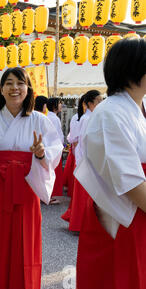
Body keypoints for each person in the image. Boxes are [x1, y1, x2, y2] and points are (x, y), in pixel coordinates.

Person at [0, 67, 62, 289]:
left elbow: (53, 151)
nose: (14, 88)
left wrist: (41, 153)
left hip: (25, 187)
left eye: (20, 83)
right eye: (9, 83)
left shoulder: (40, 121)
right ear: (1, 88)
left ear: (28, 88)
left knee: (25, 248)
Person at [74, 38, 146, 289]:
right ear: (135, 69)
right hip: (124, 216)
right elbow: (129, 182)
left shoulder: (136, 110)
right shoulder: (111, 112)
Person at [61, 90, 103, 231]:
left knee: (85, 197)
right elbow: (84, 144)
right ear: (90, 103)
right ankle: (82, 224)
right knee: (85, 197)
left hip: (88, 161)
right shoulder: (87, 119)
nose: (101, 103)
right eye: (98, 101)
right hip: (87, 162)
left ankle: (83, 224)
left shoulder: (92, 117)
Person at [46, 97, 65, 203]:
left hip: (50, 148)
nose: (61, 105)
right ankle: (50, 195)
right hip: (54, 148)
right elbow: (57, 135)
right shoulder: (54, 118)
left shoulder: (49, 116)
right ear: (54, 106)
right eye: (59, 103)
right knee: (53, 173)